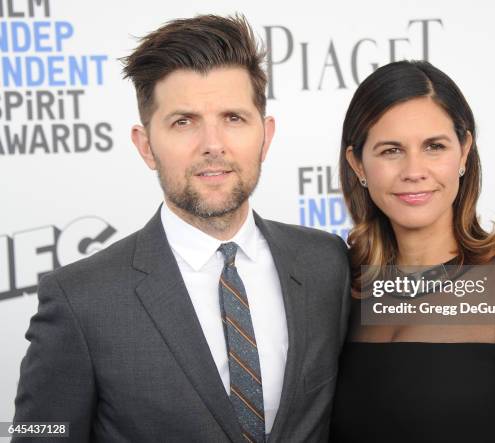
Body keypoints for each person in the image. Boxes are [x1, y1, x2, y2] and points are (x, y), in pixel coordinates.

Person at [13, 14, 350, 443]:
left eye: (233, 117)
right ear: (145, 145)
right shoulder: (80, 300)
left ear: (265, 136)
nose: (213, 144)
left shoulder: (327, 264)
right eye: (183, 121)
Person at [329, 60, 495, 442]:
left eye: (434, 146)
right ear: (357, 164)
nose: (414, 170)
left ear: (464, 151)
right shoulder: (337, 287)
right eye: (391, 150)